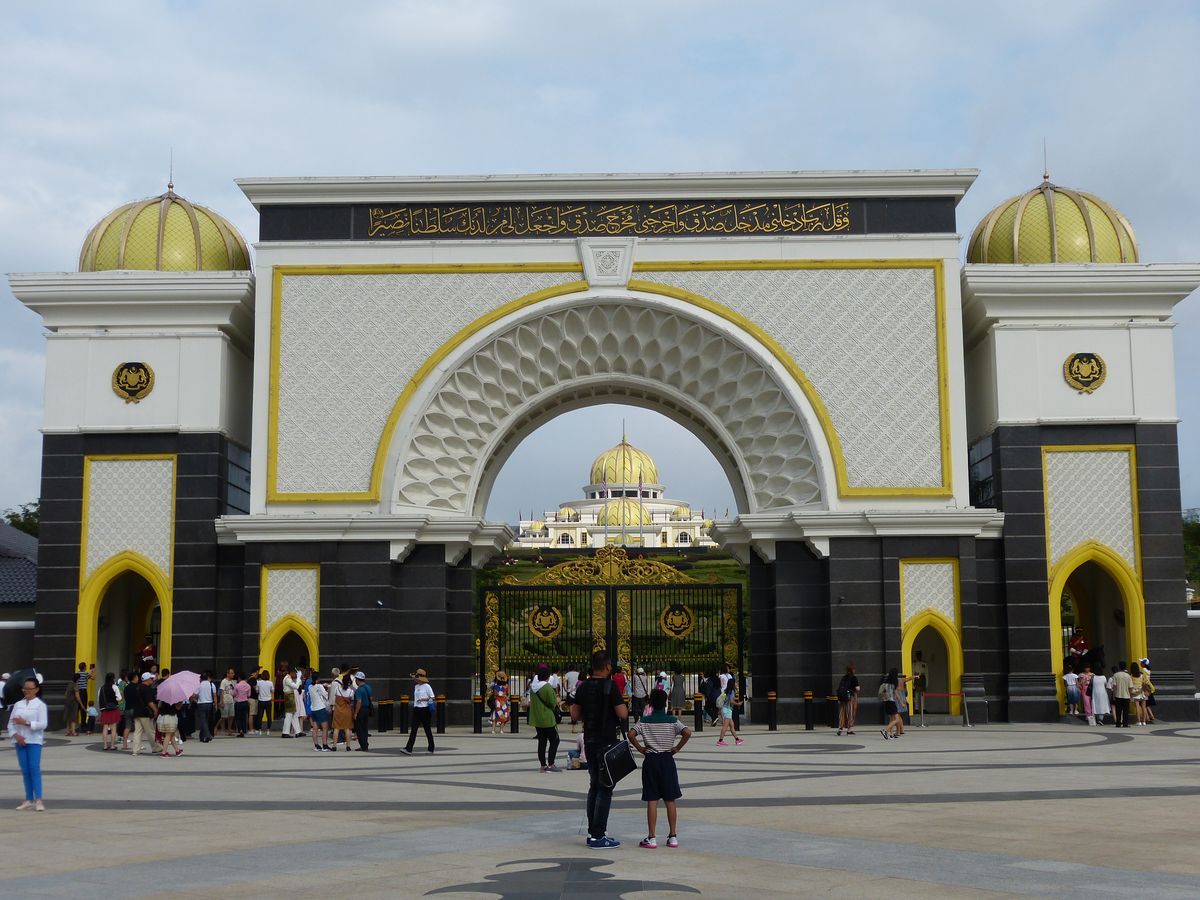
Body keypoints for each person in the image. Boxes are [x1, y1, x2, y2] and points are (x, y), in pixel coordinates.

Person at [570, 650, 629, 849]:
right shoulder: (610, 686)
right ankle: (598, 835)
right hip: (606, 742)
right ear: (607, 667)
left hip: (590, 740)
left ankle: (592, 831)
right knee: (605, 788)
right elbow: (622, 713)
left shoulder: (583, 686)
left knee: (594, 786)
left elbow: (575, 715)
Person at [628, 687, 691, 849]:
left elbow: (631, 734)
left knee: (652, 799)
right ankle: (673, 836)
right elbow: (687, 732)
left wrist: (641, 748)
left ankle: (652, 837)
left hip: (651, 760)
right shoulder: (672, 720)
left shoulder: (644, 721)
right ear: (665, 704)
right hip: (667, 759)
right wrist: (676, 748)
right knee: (670, 799)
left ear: (650, 704)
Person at [8, 676, 47, 810]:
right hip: (20, 741)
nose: (26, 691)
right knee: (25, 770)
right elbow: (10, 724)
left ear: (36, 689)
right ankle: (29, 799)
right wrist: (16, 735)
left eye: (29, 688)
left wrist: (26, 723)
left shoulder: (40, 705)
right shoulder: (18, 704)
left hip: (34, 741)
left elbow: (43, 724)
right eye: (25, 688)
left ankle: (39, 800)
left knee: (34, 769)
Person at [529, 663, 562, 773]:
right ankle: (551, 763)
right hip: (547, 718)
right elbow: (553, 703)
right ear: (548, 677)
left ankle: (543, 765)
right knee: (555, 740)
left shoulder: (533, 688)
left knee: (542, 742)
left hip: (537, 718)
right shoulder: (547, 687)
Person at [401, 668, 436, 756]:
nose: (414, 679)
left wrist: (423, 699)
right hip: (417, 709)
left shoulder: (427, 686)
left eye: (416, 678)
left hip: (425, 710)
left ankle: (431, 748)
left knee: (427, 729)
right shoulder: (416, 686)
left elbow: (432, 697)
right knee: (413, 730)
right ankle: (409, 748)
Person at [128, 672, 159, 755]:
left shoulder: (137, 687)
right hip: (145, 713)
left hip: (136, 712)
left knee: (137, 732)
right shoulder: (146, 689)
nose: (152, 680)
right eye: (151, 678)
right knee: (150, 731)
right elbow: (149, 702)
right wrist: (155, 710)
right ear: (147, 679)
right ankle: (156, 747)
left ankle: (135, 750)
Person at [306, 673, 331, 751]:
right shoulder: (319, 686)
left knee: (315, 728)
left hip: (313, 709)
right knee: (325, 728)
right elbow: (325, 695)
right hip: (320, 708)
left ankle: (316, 745)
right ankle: (325, 745)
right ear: (318, 679)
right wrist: (327, 689)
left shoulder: (310, 686)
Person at [330, 672, 355, 750]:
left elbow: (334, 697)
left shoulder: (337, 689)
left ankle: (334, 746)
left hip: (338, 711)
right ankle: (348, 746)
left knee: (336, 729)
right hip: (347, 712)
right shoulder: (351, 691)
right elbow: (352, 701)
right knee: (347, 729)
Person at [97, 672, 122, 750]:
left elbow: (99, 698)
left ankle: (105, 745)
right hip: (113, 709)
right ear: (113, 679)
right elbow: (119, 698)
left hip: (104, 710)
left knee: (105, 727)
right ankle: (112, 745)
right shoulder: (114, 687)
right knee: (113, 727)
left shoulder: (101, 688)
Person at [716, 678, 743, 746]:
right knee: (725, 726)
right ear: (733, 684)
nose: (736, 684)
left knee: (732, 726)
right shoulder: (732, 691)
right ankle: (720, 741)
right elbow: (731, 701)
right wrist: (738, 704)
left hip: (725, 709)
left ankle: (737, 740)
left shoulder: (726, 690)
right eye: (735, 683)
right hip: (727, 710)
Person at [836, 663, 859, 735]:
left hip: (843, 697)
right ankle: (849, 730)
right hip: (850, 697)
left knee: (842, 712)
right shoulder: (853, 678)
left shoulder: (844, 677)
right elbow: (857, 688)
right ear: (853, 670)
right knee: (850, 712)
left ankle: (840, 728)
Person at [880, 669, 903, 740]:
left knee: (891, 719)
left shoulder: (886, 683)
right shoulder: (894, 683)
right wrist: (901, 702)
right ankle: (885, 730)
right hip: (891, 702)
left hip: (886, 702)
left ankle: (891, 734)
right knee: (897, 719)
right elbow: (896, 693)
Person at [353, 671, 373, 751]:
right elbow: (371, 698)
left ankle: (363, 745)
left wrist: (355, 713)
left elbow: (359, 702)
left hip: (361, 710)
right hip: (367, 709)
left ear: (357, 680)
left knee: (359, 729)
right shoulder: (368, 687)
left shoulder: (359, 690)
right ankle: (365, 744)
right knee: (365, 728)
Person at [280, 667, 303, 738]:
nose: (295, 675)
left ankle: (298, 731)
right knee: (289, 715)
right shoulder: (288, 679)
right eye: (295, 673)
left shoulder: (288, 678)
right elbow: (296, 686)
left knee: (293, 715)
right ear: (291, 673)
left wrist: (298, 679)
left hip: (290, 696)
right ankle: (285, 732)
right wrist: (298, 678)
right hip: (289, 696)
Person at [1110, 661, 1133, 728]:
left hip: (1118, 695)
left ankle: (1118, 723)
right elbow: (1130, 687)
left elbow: (1114, 686)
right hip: (1126, 696)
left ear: (1119, 667)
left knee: (1118, 710)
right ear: (1125, 667)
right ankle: (1125, 724)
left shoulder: (1116, 675)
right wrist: (1131, 696)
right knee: (1126, 711)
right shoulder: (1128, 676)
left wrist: (1114, 695)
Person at [196, 671, 215, 742]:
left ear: (201, 678)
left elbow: (195, 694)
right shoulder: (211, 684)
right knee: (205, 721)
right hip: (209, 704)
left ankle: (208, 735)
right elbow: (214, 694)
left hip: (201, 704)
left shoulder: (199, 685)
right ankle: (202, 736)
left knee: (203, 721)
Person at [218, 668, 236, 736]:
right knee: (224, 716)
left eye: (233, 673)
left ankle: (229, 729)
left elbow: (233, 690)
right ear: (228, 674)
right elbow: (222, 692)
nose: (233, 674)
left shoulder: (232, 682)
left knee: (231, 716)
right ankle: (216, 727)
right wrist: (222, 702)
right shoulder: (224, 681)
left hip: (231, 700)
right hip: (225, 700)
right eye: (232, 673)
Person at [254, 669, 274, 734]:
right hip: (268, 701)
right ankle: (268, 730)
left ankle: (260, 730)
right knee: (269, 716)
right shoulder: (270, 683)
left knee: (260, 716)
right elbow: (273, 691)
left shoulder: (258, 682)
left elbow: (257, 691)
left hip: (261, 701)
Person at [233, 671, 252, 737]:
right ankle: (244, 730)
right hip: (245, 703)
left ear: (239, 678)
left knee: (238, 717)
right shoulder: (248, 686)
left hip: (238, 703)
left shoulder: (237, 685)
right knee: (244, 717)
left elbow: (234, 694)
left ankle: (240, 730)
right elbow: (249, 695)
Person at [1128, 661, 1147, 726]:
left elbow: (1130, 685)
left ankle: (1139, 721)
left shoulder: (1131, 676)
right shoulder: (1142, 675)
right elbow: (1144, 683)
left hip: (1135, 693)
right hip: (1142, 692)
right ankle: (1144, 721)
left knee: (1137, 707)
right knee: (1144, 707)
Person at [565, 664, 581, 733]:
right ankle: (577, 718)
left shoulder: (567, 674)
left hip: (570, 691)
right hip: (577, 691)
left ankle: (573, 719)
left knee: (571, 706)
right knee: (577, 705)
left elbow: (564, 681)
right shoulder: (578, 674)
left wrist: (565, 689)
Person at [1140, 658, 1156, 724]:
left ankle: (1147, 718)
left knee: (1143, 704)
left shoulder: (1143, 670)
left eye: (1141, 662)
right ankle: (1151, 716)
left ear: (1144, 664)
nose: (1140, 663)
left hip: (1145, 687)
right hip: (1149, 687)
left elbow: (1144, 680)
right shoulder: (1148, 670)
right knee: (1146, 704)